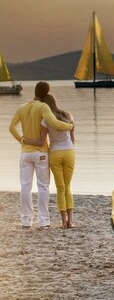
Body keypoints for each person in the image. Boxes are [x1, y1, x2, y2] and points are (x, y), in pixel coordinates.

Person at [9, 82, 73, 228]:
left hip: (25, 153)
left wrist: (21, 140)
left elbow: (11, 128)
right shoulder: (43, 107)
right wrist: (70, 126)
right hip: (41, 154)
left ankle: (26, 220)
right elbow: (55, 124)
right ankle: (43, 221)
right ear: (46, 93)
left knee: (25, 187)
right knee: (43, 186)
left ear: (35, 91)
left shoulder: (22, 107)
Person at [23, 94, 75, 229]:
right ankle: (71, 221)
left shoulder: (45, 120)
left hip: (55, 153)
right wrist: (68, 146)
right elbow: (72, 138)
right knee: (68, 186)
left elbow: (41, 141)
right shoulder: (68, 116)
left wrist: (26, 141)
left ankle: (63, 222)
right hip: (69, 152)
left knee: (60, 187)